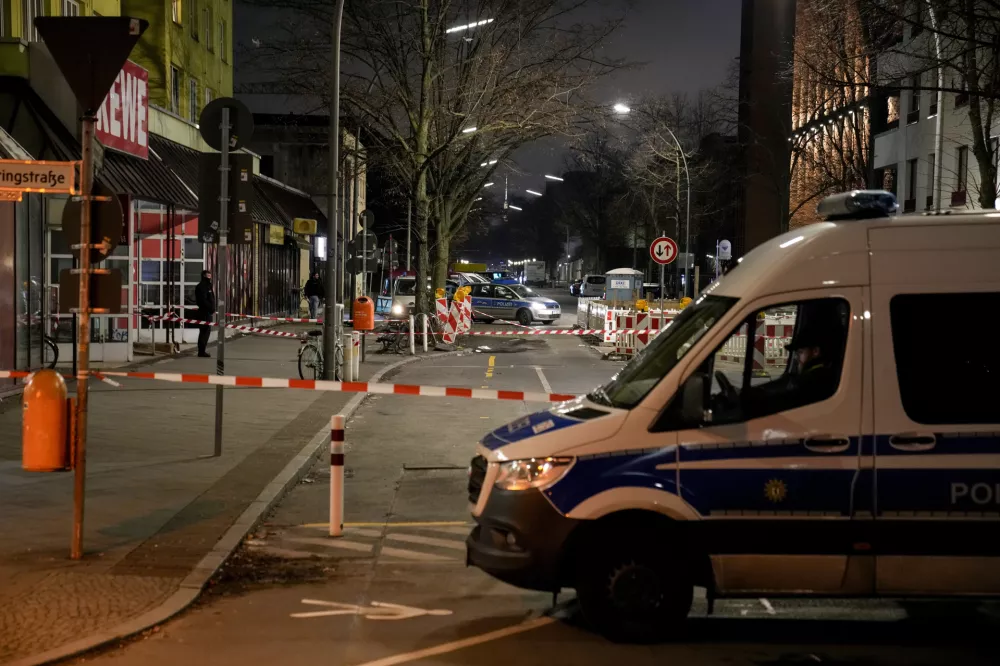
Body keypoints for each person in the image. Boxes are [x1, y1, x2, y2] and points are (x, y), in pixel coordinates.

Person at [195, 270, 215, 358]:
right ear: (203, 275)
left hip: (208, 312)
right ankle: (201, 351)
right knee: (204, 332)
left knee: (206, 332)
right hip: (204, 312)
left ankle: (202, 350)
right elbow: (203, 300)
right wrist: (210, 308)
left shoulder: (208, 286)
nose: (209, 276)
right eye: (208, 275)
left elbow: (211, 299)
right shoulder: (202, 286)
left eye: (210, 274)